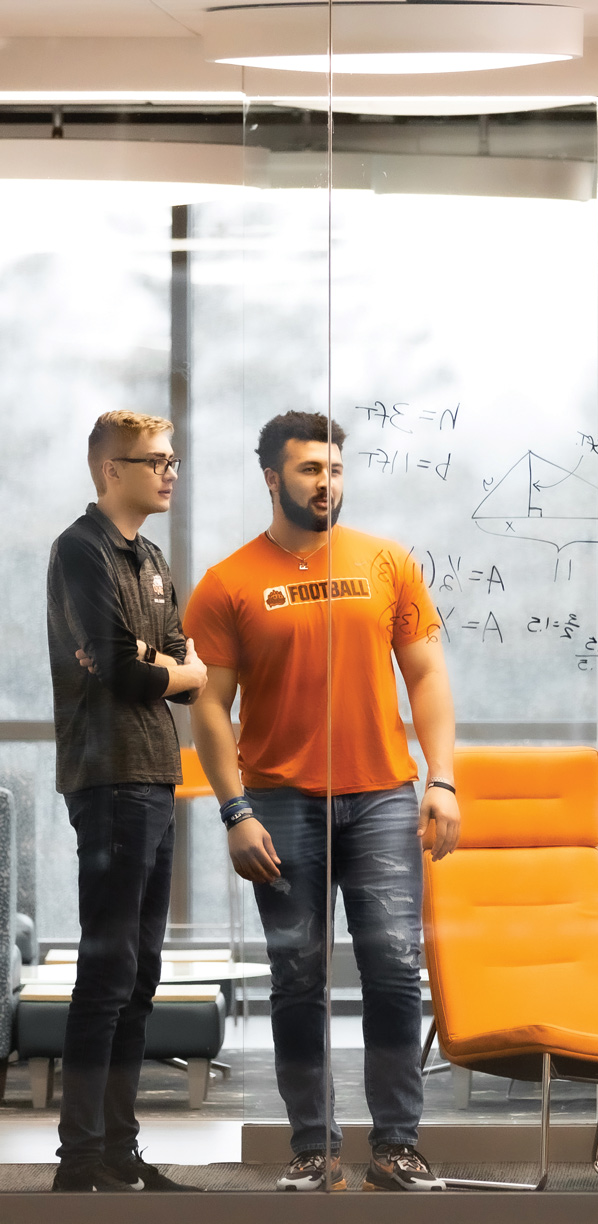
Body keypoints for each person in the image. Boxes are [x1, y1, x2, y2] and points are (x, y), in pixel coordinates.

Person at [186, 411, 460, 1193]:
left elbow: (428, 675)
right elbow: (210, 707)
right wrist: (235, 812)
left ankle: (398, 1147)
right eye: (310, 470)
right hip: (278, 801)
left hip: (381, 796)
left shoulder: (386, 562)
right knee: (298, 975)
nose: (326, 483)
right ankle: (314, 1147)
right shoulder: (229, 581)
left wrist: (440, 778)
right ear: (272, 478)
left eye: (335, 469)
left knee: (394, 970)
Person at [46, 411, 208, 1192]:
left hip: (153, 774)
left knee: (140, 972)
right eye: (154, 462)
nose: (169, 473)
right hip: (108, 778)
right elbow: (127, 671)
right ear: (111, 469)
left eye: (173, 460)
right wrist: (158, 664)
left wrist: (162, 663)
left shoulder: (149, 558)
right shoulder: (81, 551)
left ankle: (118, 1150)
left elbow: (182, 662)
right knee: (108, 972)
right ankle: (79, 1160)